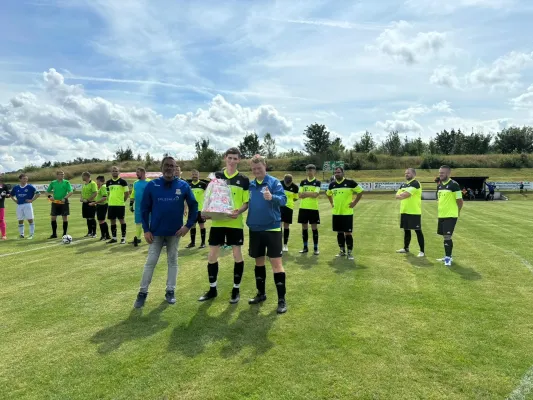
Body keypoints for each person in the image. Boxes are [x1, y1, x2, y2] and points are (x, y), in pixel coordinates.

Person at [133, 157, 198, 308]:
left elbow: (194, 206)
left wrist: (188, 226)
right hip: (155, 233)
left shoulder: (183, 185)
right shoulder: (153, 185)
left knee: (173, 262)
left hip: (174, 233)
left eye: (172, 166)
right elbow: (144, 209)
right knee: (150, 262)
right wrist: (146, 230)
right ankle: (142, 293)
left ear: (176, 168)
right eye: (166, 166)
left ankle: (170, 291)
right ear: (161, 168)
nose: (169, 168)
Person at [198, 147, 250, 304]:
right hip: (218, 222)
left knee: (236, 255)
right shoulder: (217, 177)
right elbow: (209, 197)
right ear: (225, 158)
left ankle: (236, 289)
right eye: (230, 158)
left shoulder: (244, 179)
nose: (232, 161)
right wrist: (205, 212)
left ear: (239, 160)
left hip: (235, 223)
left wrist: (238, 211)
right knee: (212, 255)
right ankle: (212, 289)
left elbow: (246, 202)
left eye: (235, 158)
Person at [246, 155, 288, 314]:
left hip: (272, 228)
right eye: (254, 169)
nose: (257, 171)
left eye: (259, 168)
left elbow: (284, 200)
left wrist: (272, 197)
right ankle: (261, 293)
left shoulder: (274, 182)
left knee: (276, 264)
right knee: (259, 263)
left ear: (265, 167)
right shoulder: (250, 185)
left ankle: (281, 300)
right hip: (255, 228)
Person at [326, 167, 364, 260]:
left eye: (338, 172)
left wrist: (354, 202)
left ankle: (350, 252)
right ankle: (342, 251)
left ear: (343, 173)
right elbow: (328, 194)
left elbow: (360, 191)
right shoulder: (332, 184)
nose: (337, 174)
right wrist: (331, 203)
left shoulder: (350, 182)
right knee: (339, 232)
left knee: (348, 232)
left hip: (347, 213)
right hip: (336, 213)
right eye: (335, 172)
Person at [436, 165, 463, 267]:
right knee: (444, 236)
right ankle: (448, 255)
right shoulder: (439, 185)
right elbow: (438, 199)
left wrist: (457, 211)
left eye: (442, 173)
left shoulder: (454, 185)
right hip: (441, 215)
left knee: (447, 236)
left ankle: (448, 258)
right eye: (439, 173)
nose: (440, 174)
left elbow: (460, 201)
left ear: (448, 173)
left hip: (451, 215)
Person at [395, 168, 425, 257]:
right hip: (404, 211)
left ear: (414, 174)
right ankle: (406, 248)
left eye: (408, 173)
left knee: (418, 231)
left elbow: (404, 195)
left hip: (414, 211)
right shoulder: (403, 184)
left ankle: (422, 251)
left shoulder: (415, 183)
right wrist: (401, 195)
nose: (406, 174)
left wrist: (402, 194)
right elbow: (397, 196)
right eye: (405, 173)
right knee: (406, 230)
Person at [298, 164, 321, 255]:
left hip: (313, 208)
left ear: (314, 171)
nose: (309, 172)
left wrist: (305, 193)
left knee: (314, 228)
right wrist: (310, 193)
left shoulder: (317, 182)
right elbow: (300, 195)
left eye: (311, 170)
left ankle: (315, 248)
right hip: (303, 208)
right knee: (304, 228)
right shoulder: (302, 182)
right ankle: (305, 247)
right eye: (307, 170)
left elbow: (316, 194)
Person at [10, 173, 40, 239]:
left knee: (30, 219)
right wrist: (15, 201)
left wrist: (31, 200)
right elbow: (11, 195)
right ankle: (21, 234)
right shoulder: (16, 187)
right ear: (20, 179)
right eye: (24, 178)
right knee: (20, 220)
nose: (25, 180)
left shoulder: (30, 187)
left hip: (27, 205)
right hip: (19, 205)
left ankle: (31, 235)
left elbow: (38, 194)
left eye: (26, 179)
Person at [106, 166, 130, 244]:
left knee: (121, 221)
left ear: (119, 172)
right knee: (112, 221)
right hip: (111, 205)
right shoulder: (108, 182)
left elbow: (127, 193)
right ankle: (114, 238)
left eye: (116, 171)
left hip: (120, 205)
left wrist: (122, 201)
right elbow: (108, 193)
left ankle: (123, 238)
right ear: (111, 172)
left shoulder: (123, 182)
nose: (114, 172)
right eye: (113, 171)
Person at [46, 170, 73, 239]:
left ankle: (64, 234)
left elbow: (70, 192)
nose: (62, 175)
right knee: (53, 217)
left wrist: (65, 197)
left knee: (64, 217)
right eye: (60, 174)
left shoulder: (66, 182)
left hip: (64, 202)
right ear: (57, 175)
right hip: (55, 202)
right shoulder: (53, 183)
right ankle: (54, 234)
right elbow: (47, 192)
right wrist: (50, 197)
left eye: (63, 174)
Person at [185, 169, 208, 248]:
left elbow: (209, 193)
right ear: (191, 176)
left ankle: (203, 243)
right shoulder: (189, 185)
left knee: (202, 225)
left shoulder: (203, 184)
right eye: (193, 175)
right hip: (192, 209)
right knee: (192, 225)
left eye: (196, 175)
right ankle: (192, 243)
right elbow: (186, 198)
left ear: (198, 175)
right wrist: (185, 208)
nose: (194, 176)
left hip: (200, 209)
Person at [129, 167, 151, 247]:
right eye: (136, 172)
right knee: (138, 222)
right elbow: (133, 194)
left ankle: (152, 237)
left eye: (138, 172)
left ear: (143, 172)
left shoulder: (150, 182)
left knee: (149, 222)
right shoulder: (135, 183)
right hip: (138, 207)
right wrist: (131, 204)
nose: (136, 174)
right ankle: (138, 238)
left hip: (148, 207)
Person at [280, 174, 299, 252]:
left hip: (289, 208)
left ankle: (285, 245)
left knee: (286, 226)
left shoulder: (295, 187)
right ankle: (279, 244)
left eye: (289, 183)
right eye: (286, 183)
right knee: (279, 225)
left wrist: (289, 201)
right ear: (284, 180)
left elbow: (295, 198)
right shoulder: (279, 183)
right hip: (280, 206)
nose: (287, 184)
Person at [89, 175, 110, 241]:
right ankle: (106, 235)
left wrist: (94, 203)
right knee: (101, 220)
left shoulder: (103, 187)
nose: (96, 183)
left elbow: (104, 198)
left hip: (102, 205)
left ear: (100, 181)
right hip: (100, 205)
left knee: (101, 220)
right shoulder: (102, 187)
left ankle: (105, 235)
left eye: (97, 181)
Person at [80, 172, 98, 238]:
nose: (82, 178)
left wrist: (88, 200)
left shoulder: (93, 184)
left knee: (91, 218)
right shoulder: (85, 184)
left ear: (86, 176)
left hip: (91, 203)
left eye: (82, 176)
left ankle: (94, 233)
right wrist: (81, 198)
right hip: (85, 203)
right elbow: (82, 193)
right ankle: (89, 232)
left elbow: (95, 193)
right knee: (87, 218)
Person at [0, 174, 10, 240]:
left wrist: (6, 194)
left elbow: (8, 194)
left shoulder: (4, 186)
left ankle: (3, 235)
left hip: (1, 205)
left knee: (1, 220)